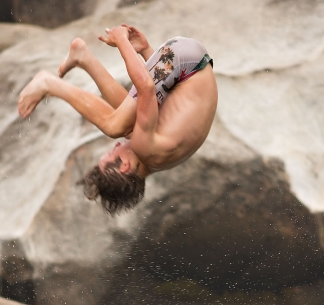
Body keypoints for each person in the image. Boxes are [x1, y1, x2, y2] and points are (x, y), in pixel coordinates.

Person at [17, 24, 218, 214]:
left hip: (189, 59)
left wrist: (146, 50)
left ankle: (84, 57)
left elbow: (165, 95)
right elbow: (147, 88)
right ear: (124, 166)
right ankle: (49, 84)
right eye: (112, 154)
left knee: (128, 123)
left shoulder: (159, 159)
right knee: (114, 126)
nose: (115, 147)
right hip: (184, 59)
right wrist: (123, 42)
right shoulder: (146, 149)